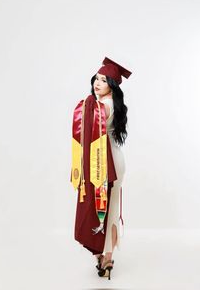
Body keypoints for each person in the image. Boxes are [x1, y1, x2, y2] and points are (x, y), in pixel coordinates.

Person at [71, 57, 132, 280]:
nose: (97, 83)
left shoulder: (103, 106)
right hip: (112, 159)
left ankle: (105, 256)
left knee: (106, 209)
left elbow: (91, 120)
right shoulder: (113, 103)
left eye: (103, 80)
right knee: (109, 208)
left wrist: (86, 105)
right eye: (96, 78)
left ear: (112, 85)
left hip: (107, 164)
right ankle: (106, 255)